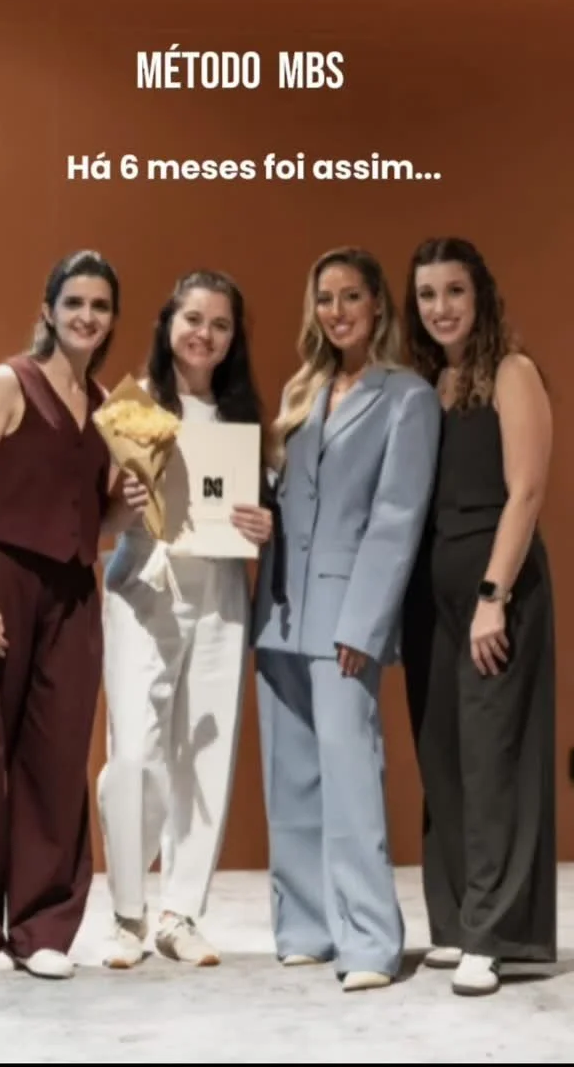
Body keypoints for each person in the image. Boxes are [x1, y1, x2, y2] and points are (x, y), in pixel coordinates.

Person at [0, 249, 148, 979]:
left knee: (57, 763)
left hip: (73, 595)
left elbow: (94, 522)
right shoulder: (10, 382)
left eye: (100, 306)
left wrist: (128, 507)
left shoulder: (109, 407)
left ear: (112, 320)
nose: (87, 316)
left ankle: (42, 929)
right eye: (75, 303)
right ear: (49, 310)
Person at [250, 246, 441, 992]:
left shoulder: (407, 398)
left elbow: (396, 519)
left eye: (351, 296)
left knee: (350, 773)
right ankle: (306, 927)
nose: (337, 312)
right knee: (290, 774)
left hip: (343, 617)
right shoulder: (302, 391)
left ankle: (368, 941)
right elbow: (286, 496)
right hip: (280, 607)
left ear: (378, 305)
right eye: (325, 298)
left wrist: (364, 626)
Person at [97, 268, 271, 970]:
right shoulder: (133, 406)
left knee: (205, 752)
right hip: (144, 585)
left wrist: (263, 525)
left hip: (221, 589)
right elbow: (102, 519)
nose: (205, 334)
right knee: (135, 753)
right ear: (169, 322)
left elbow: (255, 511)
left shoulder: (242, 417)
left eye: (220, 324)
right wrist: (124, 503)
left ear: (233, 339)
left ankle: (181, 913)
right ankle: (126, 913)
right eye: (194, 318)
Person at [400, 236, 556, 997]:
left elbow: (526, 491)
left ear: (480, 294)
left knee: (493, 757)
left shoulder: (513, 372)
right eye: (427, 295)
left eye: (454, 291)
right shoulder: (428, 384)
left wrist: (495, 597)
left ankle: (495, 936)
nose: (441, 308)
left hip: (496, 586)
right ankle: (462, 919)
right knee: (443, 756)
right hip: (430, 591)